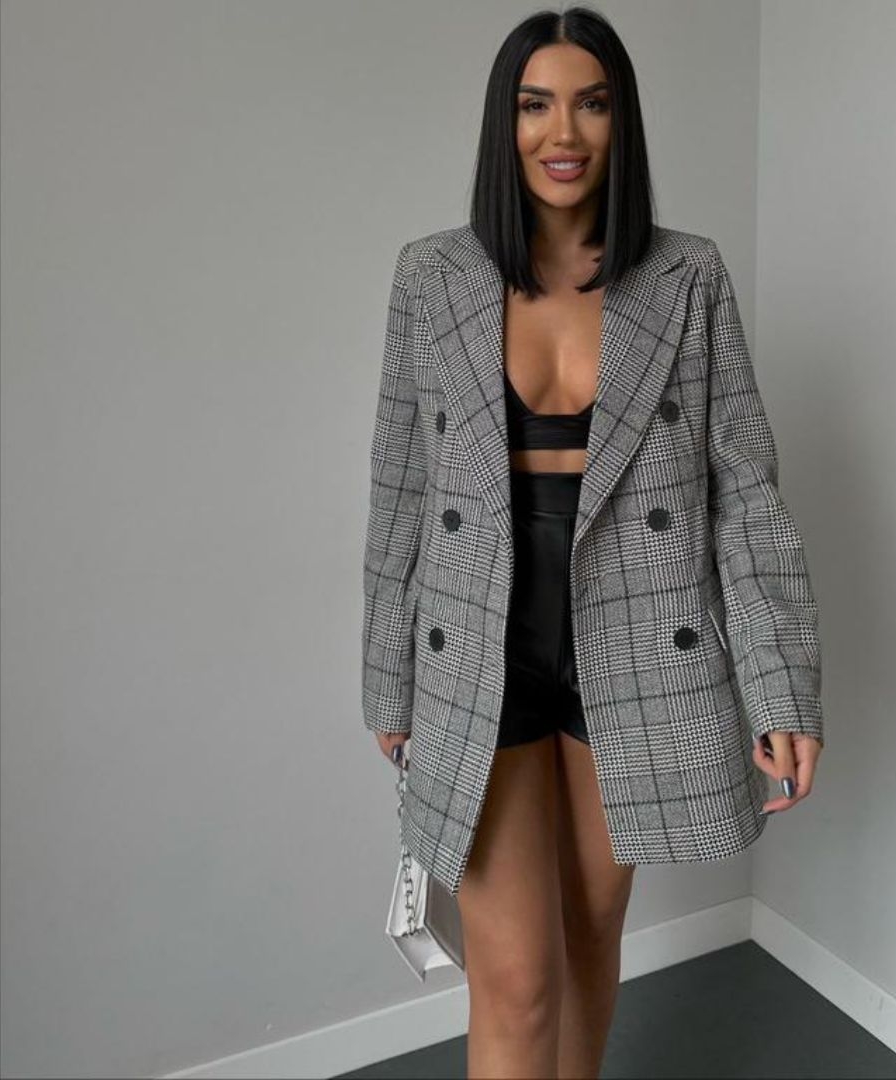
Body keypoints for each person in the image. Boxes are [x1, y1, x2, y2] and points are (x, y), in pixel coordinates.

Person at [362, 8, 824, 1078]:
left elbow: (745, 493)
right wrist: (388, 674)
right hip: (480, 646)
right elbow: (399, 488)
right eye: (536, 105)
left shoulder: (687, 275)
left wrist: (783, 684)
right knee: (515, 980)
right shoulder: (432, 277)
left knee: (586, 944)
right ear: (506, 122)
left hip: (640, 644)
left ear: (622, 122)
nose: (562, 131)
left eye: (591, 103)